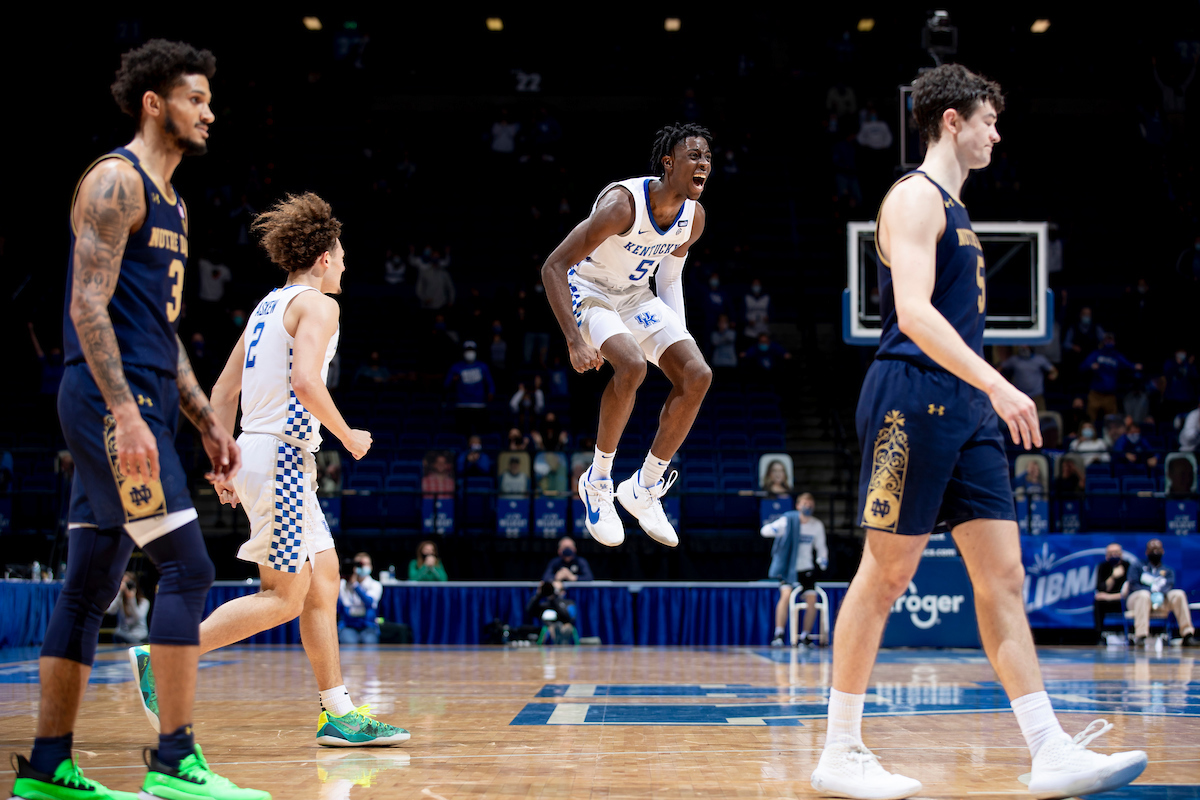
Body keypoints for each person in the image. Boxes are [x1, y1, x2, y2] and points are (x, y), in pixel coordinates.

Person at [811, 64, 1147, 800]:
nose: (997, 133)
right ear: (951, 122)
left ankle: (1049, 749)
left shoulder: (959, 212)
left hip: (965, 410)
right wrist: (999, 381)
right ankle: (839, 749)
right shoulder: (913, 197)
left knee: (1004, 579)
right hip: (909, 398)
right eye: (988, 120)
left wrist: (982, 391)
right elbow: (913, 313)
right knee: (888, 574)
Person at [7, 39, 275, 800]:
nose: (209, 111)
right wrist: (125, 413)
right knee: (189, 567)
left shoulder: (178, 206)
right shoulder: (114, 183)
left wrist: (204, 420)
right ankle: (173, 760)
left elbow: (160, 333)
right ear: (155, 103)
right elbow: (85, 305)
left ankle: (49, 766)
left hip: (145, 396)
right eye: (197, 98)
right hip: (107, 399)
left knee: (90, 585)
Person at [128, 192, 407, 749]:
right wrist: (348, 435)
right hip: (280, 456)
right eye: (343, 252)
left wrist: (225, 458)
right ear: (324, 256)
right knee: (284, 596)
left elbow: (223, 389)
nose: (347, 262)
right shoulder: (320, 306)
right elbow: (306, 381)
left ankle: (337, 713)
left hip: (263, 453)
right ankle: (165, 652)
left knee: (323, 581)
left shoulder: (265, 307)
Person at [542, 123, 714, 548]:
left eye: (707, 157)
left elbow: (670, 278)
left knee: (697, 375)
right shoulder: (623, 206)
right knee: (632, 365)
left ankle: (643, 487)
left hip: (636, 296)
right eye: (694, 156)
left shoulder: (693, 217)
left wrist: (679, 340)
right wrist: (574, 340)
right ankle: (598, 481)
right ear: (668, 163)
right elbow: (553, 266)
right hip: (591, 290)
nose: (704, 163)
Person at [761, 493, 828, 647]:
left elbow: (821, 547)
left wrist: (822, 560)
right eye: (805, 503)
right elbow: (765, 531)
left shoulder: (816, 525)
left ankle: (805, 636)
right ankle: (779, 634)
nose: (808, 506)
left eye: (811, 503)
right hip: (789, 568)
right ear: (798, 505)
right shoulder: (788, 521)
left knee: (812, 598)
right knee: (786, 595)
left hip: (806, 569)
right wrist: (775, 529)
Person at [1124, 539, 1198, 647]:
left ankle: (1188, 635)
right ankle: (1140, 636)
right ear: (1146, 552)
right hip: (1137, 600)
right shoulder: (1137, 566)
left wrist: (1158, 592)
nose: (1155, 552)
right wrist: (1151, 591)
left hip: (1160, 599)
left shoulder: (1168, 571)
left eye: (1157, 549)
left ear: (1162, 551)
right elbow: (1133, 584)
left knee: (1178, 594)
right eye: (1152, 549)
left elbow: (1169, 585)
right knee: (1143, 595)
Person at [338, 552, 384, 645]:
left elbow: (369, 602)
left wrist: (355, 585)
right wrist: (348, 581)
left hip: (368, 626)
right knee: (349, 643)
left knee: (369, 643)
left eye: (365, 564)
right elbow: (340, 607)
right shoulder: (342, 584)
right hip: (348, 626)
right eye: (359, 564)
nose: (362, 567)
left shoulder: (375, 585)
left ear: (370, 567)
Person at [1093, 543, 1130, 643]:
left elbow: (1129, 592)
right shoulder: (1103, 567)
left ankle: (1133, 635)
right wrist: (1113, 577)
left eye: (1116, 553)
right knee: (1097, 602)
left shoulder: (1128, 566)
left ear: (1121, 554)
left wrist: (1109, 597)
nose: (1114, 555)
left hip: (1124, 601)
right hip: (1107, 602)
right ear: (1106, 555)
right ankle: (1099, 635)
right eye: (1111, 553)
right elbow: (1101, 589)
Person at [106, 571, 150, 645]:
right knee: (117, 634)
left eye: (127, 584)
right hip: (123, 636)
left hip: (139, 636)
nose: (125, 587)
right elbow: (110, 611)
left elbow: (138, 618)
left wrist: (131, 599)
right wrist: (119, 592)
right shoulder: (120, 601)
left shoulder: (144, 602)